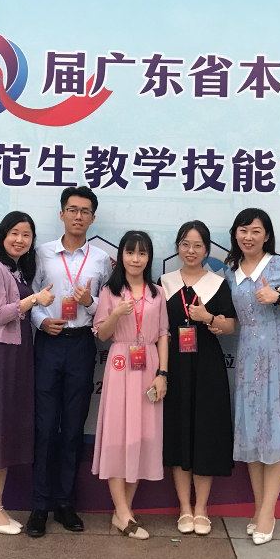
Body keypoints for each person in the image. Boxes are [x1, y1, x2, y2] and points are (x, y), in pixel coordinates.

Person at [27, 186, 113, 538]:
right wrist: (40, 321)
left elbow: (107, 310)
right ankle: (39, 505)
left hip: (81, 344)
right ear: (61, 214)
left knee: (74, 427)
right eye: (73, 210)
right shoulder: (42, 253)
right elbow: (30, 296)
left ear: (93, 218)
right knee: (45, 426)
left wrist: (89, 302)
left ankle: (65, 503)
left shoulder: (102, 260)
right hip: (48, 343)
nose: (78, 216)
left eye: (85, 211)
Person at [221, 208, 280, 546]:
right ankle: (260, 510)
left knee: (276, 431)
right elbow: (233, 321)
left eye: (256, 231)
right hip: (248, 359)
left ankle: (268, 513)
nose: (249, 237)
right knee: (253, 434)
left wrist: (279, 297)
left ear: (267, 235)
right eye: (243, 230)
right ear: (235, 234)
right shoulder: (230, 272)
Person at [0, 211, 55, 535]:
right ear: (2, 235)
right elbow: (0, 315)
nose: (20, 239)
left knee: (4, 433)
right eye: (14, 233)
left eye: (26, 235)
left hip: (18, 356)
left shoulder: (16, 270)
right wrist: (35, 299)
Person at [158, 221, 237, 535]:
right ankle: (184, 509)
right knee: (179, 432)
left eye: (197, 245)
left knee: (205, 434)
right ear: (178, 247)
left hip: (207, 367)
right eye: (185, 244)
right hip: (174, 365)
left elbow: (230, 327)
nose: (191, 251)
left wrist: (208, 318)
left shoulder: (217, 284)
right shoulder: (164, 283)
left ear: (207, 249)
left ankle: (202, 508)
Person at [92, 230, 169, 540]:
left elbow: (163, 333)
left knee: (142, 436)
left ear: (148, 258)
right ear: (121, 255)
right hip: (121, 362)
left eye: (142, 253)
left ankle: (123, 511)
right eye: (130, 252)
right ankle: (122, 512)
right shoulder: (110, 292)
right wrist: (116, 314)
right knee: (117, 434)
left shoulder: (157, 292)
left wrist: (163, 373)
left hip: (149, 363)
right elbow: (101, 334)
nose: (135, 259)